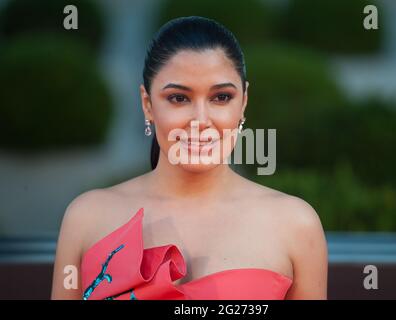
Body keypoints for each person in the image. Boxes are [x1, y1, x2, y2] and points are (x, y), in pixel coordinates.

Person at [51, 16, 328, 300]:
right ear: (147, 104)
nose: (200, 120)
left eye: (220, 97)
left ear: (243, 102)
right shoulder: (86, 218)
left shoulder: (295, 224)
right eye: (179, 98)